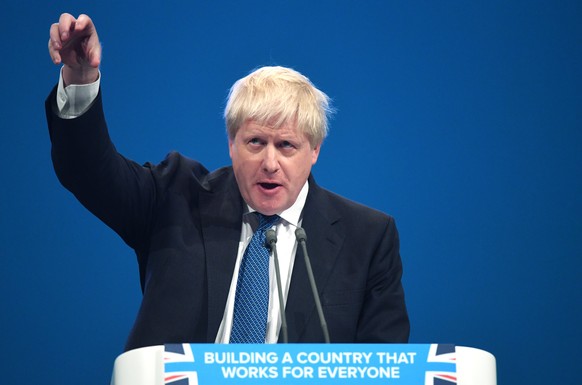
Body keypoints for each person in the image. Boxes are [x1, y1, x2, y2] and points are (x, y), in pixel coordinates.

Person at [46, 13, 409, 351]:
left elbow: (385, 364)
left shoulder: (367, 238)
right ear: (231, 143)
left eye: (286, 146)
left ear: (314, 150)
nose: (270, 163)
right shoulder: (175, 197)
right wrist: (79, 80)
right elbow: (88, 170)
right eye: (255, 142)